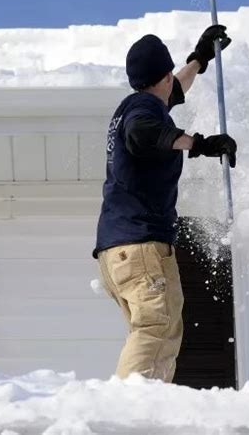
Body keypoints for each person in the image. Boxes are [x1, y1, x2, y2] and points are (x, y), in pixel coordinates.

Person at [92, 25, 237, 382]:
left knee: (159, 333)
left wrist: (199, 59)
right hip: (140, 246)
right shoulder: (142, 113)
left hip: (119, 250)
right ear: (164, 76)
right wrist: (199, 144)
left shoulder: (136, 104)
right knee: (157, 328)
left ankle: (147, 411)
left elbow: (174, 92)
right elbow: (144, 134)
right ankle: (127, 413)